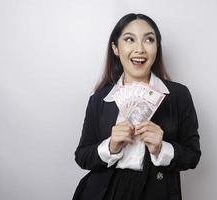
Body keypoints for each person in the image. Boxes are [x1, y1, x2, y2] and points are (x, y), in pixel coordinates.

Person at [72, 13, 201, 200]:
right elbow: (82, 156)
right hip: (105, 191)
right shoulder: (99, 99)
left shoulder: (179, 96)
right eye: (129, 40)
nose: (139, 49)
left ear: (157, 47)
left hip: (156, 191)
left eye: (148, 40)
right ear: (115, 48)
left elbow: (193, 156)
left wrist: (161, 148)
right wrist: (111, 146)